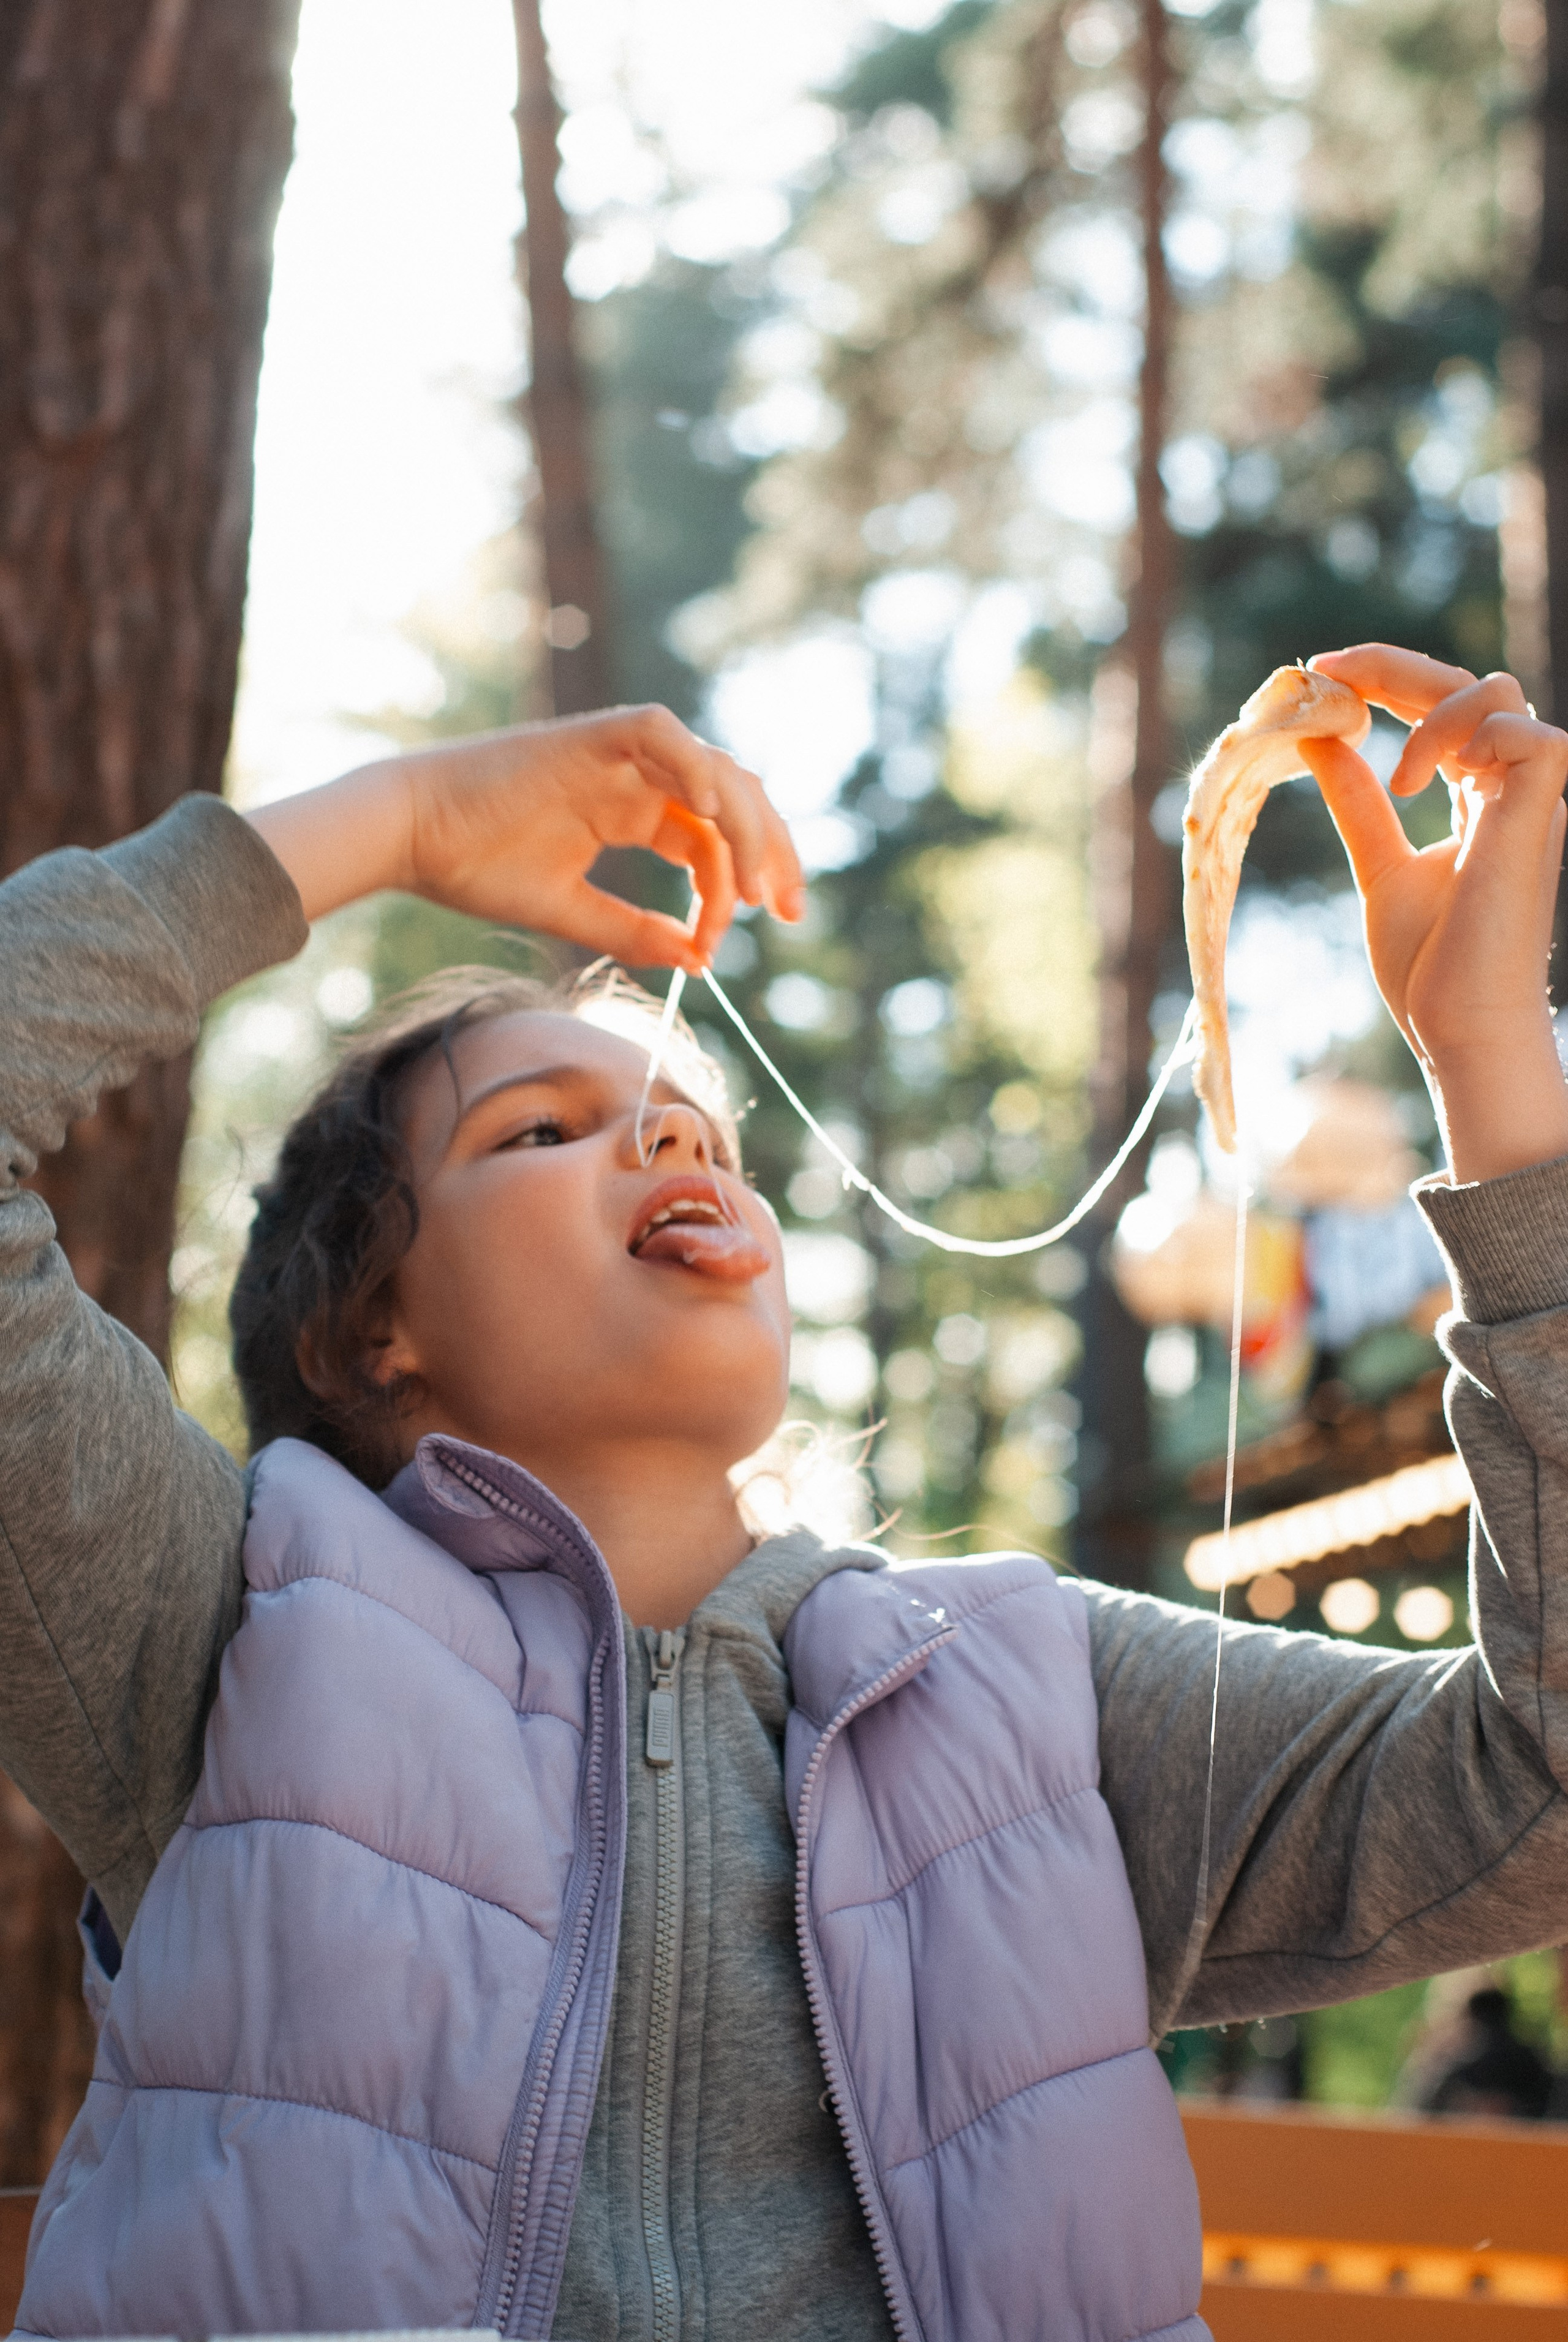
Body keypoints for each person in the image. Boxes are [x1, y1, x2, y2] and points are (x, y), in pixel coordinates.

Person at [2, 646, 1567, 2342]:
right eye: (542, 1131)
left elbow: (1534, 1786)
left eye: (698, 1129)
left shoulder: (1032, 1700)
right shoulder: (218, 1625)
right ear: (367, 1329)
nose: (672, 1143)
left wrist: (1496, 1070)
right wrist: (400, 816)